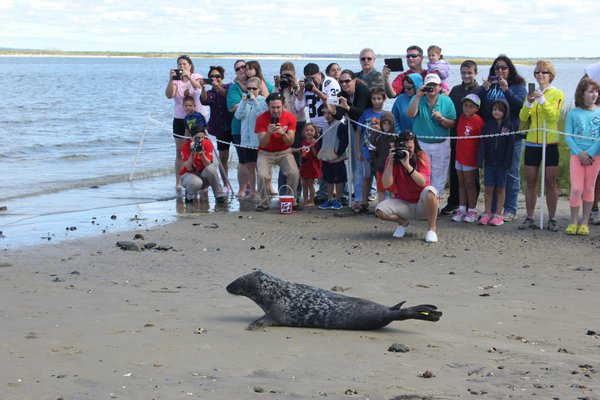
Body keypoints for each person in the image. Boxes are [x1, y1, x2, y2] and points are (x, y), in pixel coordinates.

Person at [478, 55, 527, 222]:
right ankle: (492, 210)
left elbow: (521, 106)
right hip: (492, 137)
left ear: (510, 69)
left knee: (511, 172)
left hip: (512, 136)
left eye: (504, 67)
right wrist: (482, 90)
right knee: (492, 173)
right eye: (497, 67)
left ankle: (510, 208)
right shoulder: (489, 86)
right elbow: (478, 106)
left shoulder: (518, 85)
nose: (500, 70)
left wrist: (507, 90)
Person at [518, 60, 564, 231]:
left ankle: (552, 218)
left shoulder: (557, 93)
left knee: (551, 181)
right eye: (537, 72)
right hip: (532, 142)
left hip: (550, 141)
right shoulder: (531, 92)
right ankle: (529, 217)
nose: (540, 75)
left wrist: (543, 100)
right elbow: (523, 117)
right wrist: (529, 102)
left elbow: (554, 116)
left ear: (550, 75)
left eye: (543, 72)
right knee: (531, 181)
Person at [375, 130, 439, 243]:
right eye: (404, 147)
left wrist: (407, 165)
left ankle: (432, 229)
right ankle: (403, 223)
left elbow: (422, 182)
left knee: (430, 192)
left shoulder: (421, 156)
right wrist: (390, 162)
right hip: (404, 203)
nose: (407, 150)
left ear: (415, 145)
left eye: (410, 147)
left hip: (422, 204)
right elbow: (386, 184)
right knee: (380, 210)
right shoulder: (393, 158)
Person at [406, 73, 456, 200]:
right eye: (429, 85)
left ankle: (435, 205)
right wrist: (417, 96)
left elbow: (452, 123)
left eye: (434, 85)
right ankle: (422, 203)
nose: (431, 88)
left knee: (439, 176)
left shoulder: (447, 101)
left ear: (439, 87)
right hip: (422, 144)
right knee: (422, 173)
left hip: (441, 144)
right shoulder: (418, 99)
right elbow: (410, 114)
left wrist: (442, 119)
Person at [442, 60, 481, 215]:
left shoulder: (479, 90)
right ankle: (455, 203)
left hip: (472, 137)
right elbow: (449, 109)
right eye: (463, 72)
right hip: (455, 135)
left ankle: (472, 206)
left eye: (469, 72)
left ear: (475, 73)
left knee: (472, 175)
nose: (466, 75)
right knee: (455, 170)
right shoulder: (456, 90)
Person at [165, 55, 209, 189]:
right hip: (180, 118)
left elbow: (199, 88)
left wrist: (188, 77)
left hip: (197, 117)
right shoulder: (176, 80)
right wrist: (171, 79)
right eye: (179, 64)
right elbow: (169, 95)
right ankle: (179, 181)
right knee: (180, 150)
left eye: (184, 64)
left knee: (200, 147)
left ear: (190, 66)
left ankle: (203, 180)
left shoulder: (196, 76)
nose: (181, 66)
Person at [564, 78, 600, 236]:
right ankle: (574, 221)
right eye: (590, 91)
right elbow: (568, 136)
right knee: (577, 188)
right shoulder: (573, 113)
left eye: (596, 91)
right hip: (576, 156)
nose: (594, 94)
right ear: (582, 93)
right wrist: (580, 153)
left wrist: (590, 153)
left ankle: (585, 222)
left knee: (589, 188)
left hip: (595, 156)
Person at [255, 93, 301, 211]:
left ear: (283, 106)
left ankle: (291, 200)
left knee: (294, 173)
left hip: (284, 151)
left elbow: (290, 142)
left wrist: (282, 133)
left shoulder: (290, 117)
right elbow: (262, 144)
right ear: (268, 106)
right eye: (272, 107)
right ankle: (264, 202)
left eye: (278, 107)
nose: (275, 110)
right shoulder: (261, 118)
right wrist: (269, 132)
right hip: (265, 152)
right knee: (262, 176)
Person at [334, 70, 373, 209]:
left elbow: (361, 110)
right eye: (342, 82)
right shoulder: (342, 93)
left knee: (369, 162)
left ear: (354, 81)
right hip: (356, 128)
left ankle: (368, 195)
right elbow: (338, 115)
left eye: (347, 81)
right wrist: (332, 107)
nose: (344, 84)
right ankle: (359, 198)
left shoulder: (362, 90)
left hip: (369, 127)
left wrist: (347, 107)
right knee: (357, 161)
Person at [477, 99, 515, 226]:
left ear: (505, 112)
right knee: (488, 188)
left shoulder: (509, 126)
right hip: (489, 162)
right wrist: (480, 160)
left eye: (500, 110)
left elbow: (511, 147)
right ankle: (487, 213)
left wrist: (507, 163)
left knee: (500, 188)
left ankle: (498, 215)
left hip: (502, 164)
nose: (497, 112)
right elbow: (482, 144)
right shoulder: (487, 126)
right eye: (494, 109)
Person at [274, 62, 306, 199]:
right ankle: (283, 192)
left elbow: (300, 105)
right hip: (284, 124)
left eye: (289, 74)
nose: (286, 77)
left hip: (298, 123)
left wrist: (296, 86)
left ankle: (296, 193)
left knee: (297, 159)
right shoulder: (279, 87)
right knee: (283, 158)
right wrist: (277, 85)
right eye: (284, 74)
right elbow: (272, 101)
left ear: (294, 74)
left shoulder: (298, 86)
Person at [234, 77, 268, 202]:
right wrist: (244, 102)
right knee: (250, 167)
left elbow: (262, 117)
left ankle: (260, 192)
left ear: (259, 89)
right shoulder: (244, 101)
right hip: (245, 140)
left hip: (257, 140)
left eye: (254, 88)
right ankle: (252, 192)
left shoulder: (263, 101)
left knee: (260, 168)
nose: (251, 91)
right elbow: (238, 116)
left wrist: (254, 102)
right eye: (249, 88)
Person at [451, 94, 484, 223]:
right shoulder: (461, 118)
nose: (467, 108)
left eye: (471, 106)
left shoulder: (478, 121)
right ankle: (462, 208)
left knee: (470, 183)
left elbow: (481, 141)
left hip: (471, 157)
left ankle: (472, 210)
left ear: (476, 108)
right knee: (461, 183)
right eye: (465, 105)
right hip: (459, 155)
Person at [354, 87, 386, 212]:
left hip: (380, 153)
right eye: (374, 99)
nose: (376, 101)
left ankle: (382, 203)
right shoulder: (365, 113)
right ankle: (364, 201)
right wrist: (358, 150)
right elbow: (358, 132)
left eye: (379, 99)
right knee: (366, 177)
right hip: (366, 151)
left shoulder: (385, 115)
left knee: (380, 177)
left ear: (383, 99)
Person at [200, 65, 233, 187]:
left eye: (217, 76)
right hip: (220, 129)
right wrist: (203, 88)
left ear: (222, 77)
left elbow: (228, 96)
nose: (215, 78)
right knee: (223, 157)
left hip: (233, 126)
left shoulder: (229, 87)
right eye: (212, 76)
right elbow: (204, 100)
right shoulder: (209, 92)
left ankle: (247, 185)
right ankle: (226, 184)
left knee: (243, 156)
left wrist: (218, 87)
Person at [180, 125, 226, 203]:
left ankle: (219, 195)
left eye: (202, 137)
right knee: (196, 182)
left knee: (211, 169)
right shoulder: (185, 146)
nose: (199, 140)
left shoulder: (207, 143)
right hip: (188, 176)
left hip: (203, 176)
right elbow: (187, 167)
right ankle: (190, 198)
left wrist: (202, 154)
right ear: (191, 137)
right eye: (197, 138)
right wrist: (192, 154)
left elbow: (208, 164)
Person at [226, 59, 251, 199]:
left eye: (243, 67)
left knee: (259, 158)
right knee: (243, 159)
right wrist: (249, 100)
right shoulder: (234, 87)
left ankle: (261, 187)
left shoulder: (257, 82)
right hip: (239, 128)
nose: (241, 70)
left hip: (255, 127)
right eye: (238, 68)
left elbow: (267, 97)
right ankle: (242, 188)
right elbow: (232, 107)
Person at [317, 107, 349, 210]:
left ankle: (338, 199)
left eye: (329, 113)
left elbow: (344, 141)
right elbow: (321, 140)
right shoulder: (324, 125)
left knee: (338, 179)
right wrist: (320, 150)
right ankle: (330, 198)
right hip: (326, 157)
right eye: (325, 113)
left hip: (337, 158)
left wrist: (338, 153)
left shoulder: (340, 125)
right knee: (329, 179)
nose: (327, 115)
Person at [582, 62, 600, 225]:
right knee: (595, 172)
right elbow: (581, 92)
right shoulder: (594, 69)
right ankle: (594, 210)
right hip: (594, 127)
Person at [371, 111, 397, 202]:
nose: (386, 126)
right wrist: (376, 162)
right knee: (381, 189)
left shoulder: (396, 137)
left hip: (393, 169)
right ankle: (380, 207)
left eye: (389, 124)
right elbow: (372, 150)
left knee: (393, 190)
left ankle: (393, 209)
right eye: (384, 123)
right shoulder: (377, 136)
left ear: (393, 124)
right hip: (380, 168)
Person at [298, 123, 321, 206]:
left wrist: (313, 147)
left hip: (312, 166)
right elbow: (302, 153)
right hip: (304, 165)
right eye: (307, 130)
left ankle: (312, 201)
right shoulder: (303, 142)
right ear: (304, 132)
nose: (309, 132)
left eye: (311, 130)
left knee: (310, 184)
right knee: (304, 184)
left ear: (315, 132)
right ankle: (305, 200)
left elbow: (316, 155)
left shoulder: (315, 142)